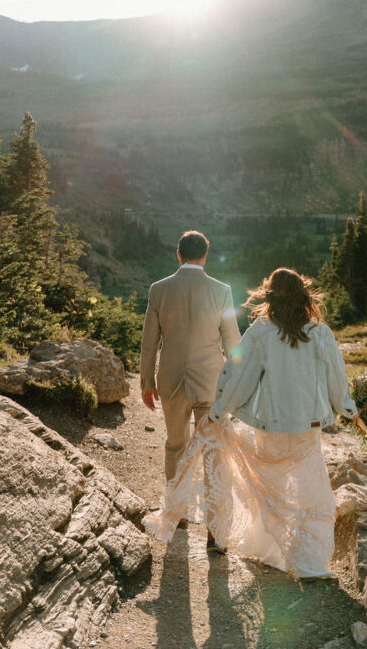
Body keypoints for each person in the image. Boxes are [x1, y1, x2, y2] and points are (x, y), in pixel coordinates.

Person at [143, 267, 367, 578]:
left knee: (271, 487)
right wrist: (351, 412)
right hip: (308, 426)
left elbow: (239, 376)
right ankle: (311, 561)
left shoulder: (261, 331)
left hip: (271, 424)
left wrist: (219, 410)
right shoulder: (321, 333)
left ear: (270, 297)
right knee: (311, 491)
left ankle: (273, 552)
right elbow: (336, 379)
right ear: (304, 296)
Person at [139, 229, 241, 544]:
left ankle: (178, 512)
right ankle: (215, 528)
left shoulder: (159, 289)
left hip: (170, 382)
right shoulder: (222, 290)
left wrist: (146, 382)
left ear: (179, 254)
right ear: (205, 256)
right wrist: (236, 384)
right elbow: (232, 341)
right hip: (211, 384)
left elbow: (149, 342)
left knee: (174, 446)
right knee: (214, 452)